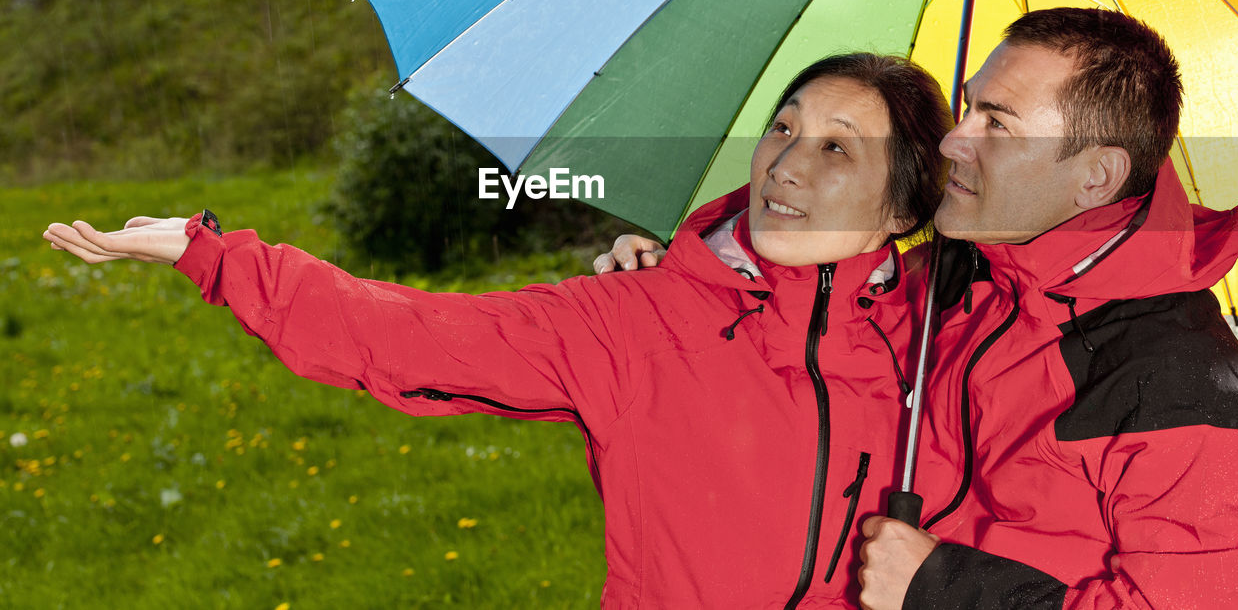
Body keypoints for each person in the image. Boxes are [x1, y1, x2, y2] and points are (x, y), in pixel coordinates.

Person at [43, 52, 955, 608]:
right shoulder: (635, 319)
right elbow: (412, 336)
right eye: (782, 127)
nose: (786, 163)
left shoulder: (950, 329)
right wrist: (214, 255)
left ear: (906, 199)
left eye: (838, 146)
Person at [601, 8, 1238, 610]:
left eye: (997, 123)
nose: (954, 141)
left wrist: (940, 587)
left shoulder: (1181, 380)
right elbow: (821, 321)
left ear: (1094, 176)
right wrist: (699, 272)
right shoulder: (963, 271)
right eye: (970, 106)